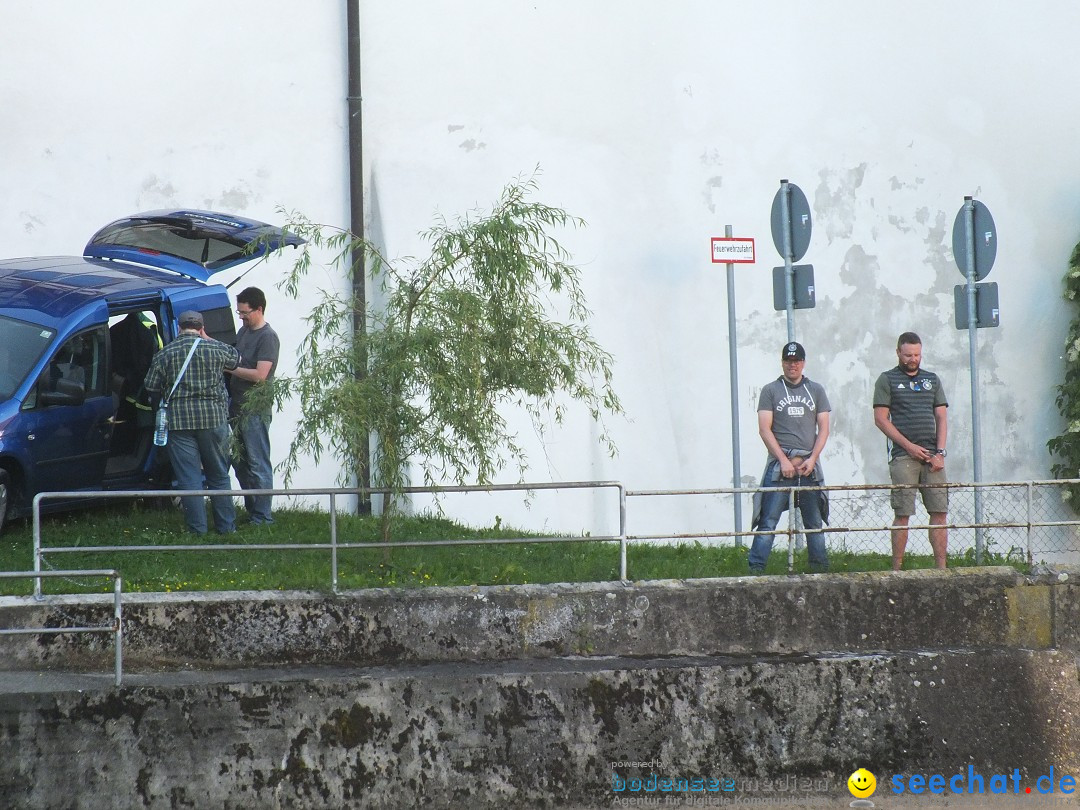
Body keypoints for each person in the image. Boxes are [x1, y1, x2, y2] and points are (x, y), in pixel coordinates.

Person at [143, 310, 240, 535]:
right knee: (218, 474)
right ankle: (227, 527)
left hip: (180, 422)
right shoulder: (217, 349)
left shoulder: (166, 353)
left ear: (179, 326)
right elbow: (237, 360)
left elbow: (151, 386)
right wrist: (208, 339)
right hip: (213, 420)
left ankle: (198, 530)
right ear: (201, 327)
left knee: (189, 478)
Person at [748, 341, 831, 573]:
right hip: (779, 467)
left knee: (814, 522)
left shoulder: (816, 390)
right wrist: (783, 460)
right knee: (768, 521)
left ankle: (820, 571)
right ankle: (756, 570)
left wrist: (813, 458)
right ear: (782, 362)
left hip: (808, 466)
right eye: (788, 361)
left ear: (803, 363)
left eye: (796, 361)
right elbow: (764, 428)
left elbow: (824, 428)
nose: (792, 365)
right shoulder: (770, 390)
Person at [873, 331, 949, 570]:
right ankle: (897, 569)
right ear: (898, 353)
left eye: (916, 354)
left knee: (939, 512)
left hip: (932, 457)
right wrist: (909, 446)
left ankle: (941, 568)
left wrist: (940, 452)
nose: (912, 359)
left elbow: (942, 417)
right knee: (903, 513)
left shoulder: (932, 380)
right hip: (903, 456)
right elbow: (881, 419)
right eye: (907, 355)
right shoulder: (887, 380)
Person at [225, 287, 280, 525]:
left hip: (255, 409)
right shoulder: (243, 331)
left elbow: (260, 375)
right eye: (239, 312)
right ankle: (253, 509)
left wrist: (229, 369)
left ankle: (263, 516)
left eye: (245, 312)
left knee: (258, 461)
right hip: (236, 406)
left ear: (259, 309)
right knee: (240, 461)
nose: (241, 317)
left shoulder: (268, 337)